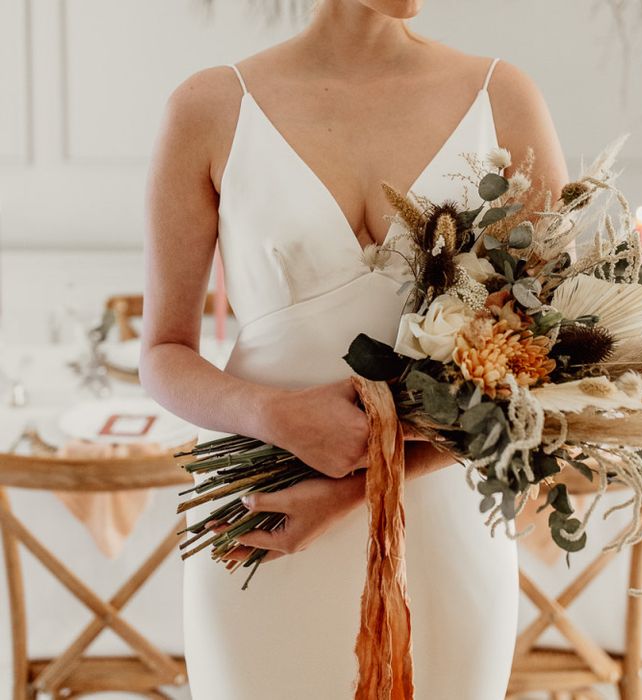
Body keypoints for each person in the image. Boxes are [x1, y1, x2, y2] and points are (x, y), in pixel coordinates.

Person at [140, 0, 569, 697]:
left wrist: (357, 489)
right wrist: (272, 415)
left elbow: (553, 362)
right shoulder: (210, 107)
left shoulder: (504, 98)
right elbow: (163, 353)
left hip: (439, 526)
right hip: (265, 524)